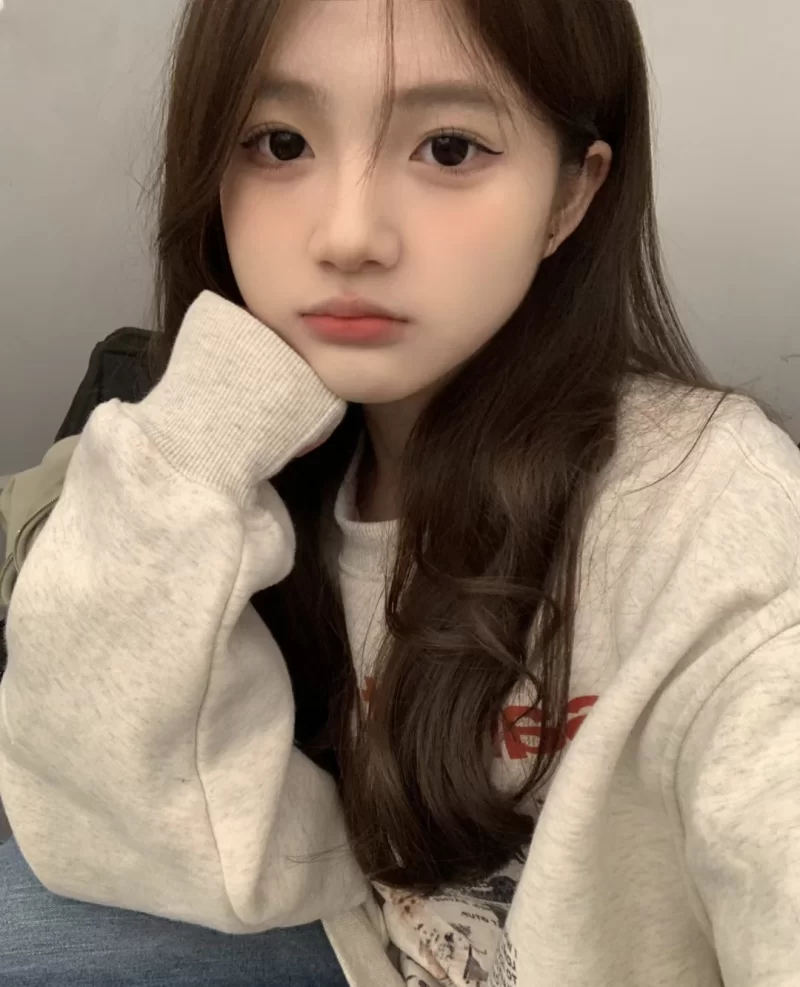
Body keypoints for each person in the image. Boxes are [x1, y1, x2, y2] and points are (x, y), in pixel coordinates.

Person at [0, 0, 798, 984]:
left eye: (449, 149)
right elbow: (106, 814)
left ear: (568, 196)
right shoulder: (292, 465)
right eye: (280, 143)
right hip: (362, 945)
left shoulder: (707, 508)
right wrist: (202, 432)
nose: (348, 236)